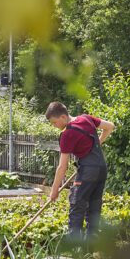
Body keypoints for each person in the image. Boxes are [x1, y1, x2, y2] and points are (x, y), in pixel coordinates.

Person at [45, 102, 115, 238]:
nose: (54, 126)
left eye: (54, 122)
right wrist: (97, 143)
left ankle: (75, 250)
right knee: (94, 208)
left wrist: (54, 190)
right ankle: (90, 249)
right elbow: (110, 126)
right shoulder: (86, 118)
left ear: (63, 117)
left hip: (88, 172)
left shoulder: (67, 134)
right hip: (101, 169)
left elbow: (62, 167)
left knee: (77, 206)